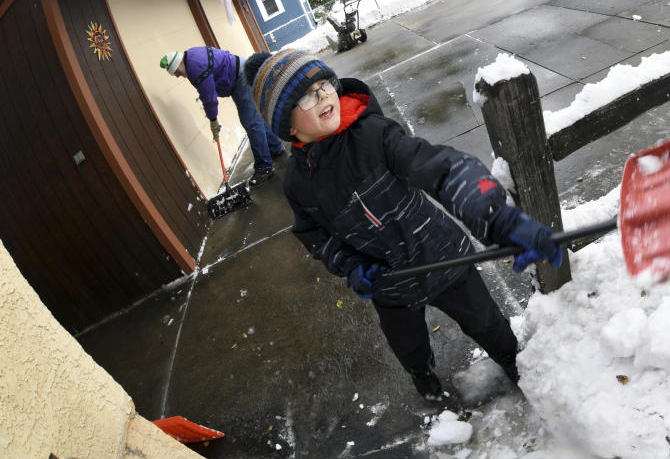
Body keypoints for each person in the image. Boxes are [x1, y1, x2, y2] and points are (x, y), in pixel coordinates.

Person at [243, 50, 562, 401]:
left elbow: (443, 168)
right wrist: (352, 266)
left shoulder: (374, 135)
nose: (321, 95)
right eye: (305, 95)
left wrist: (497, 217)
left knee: (487, 323)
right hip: (389, 283)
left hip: (443, 256)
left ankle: (511, 360)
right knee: (407, 345)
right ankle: (424, 380)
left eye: (324, 84)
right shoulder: (299, 184)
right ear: (286, 126)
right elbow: (313, 236)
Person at [160, 47, 286, 188]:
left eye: (176, 72)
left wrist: (213, 120)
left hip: (240, 77)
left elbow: (209, 97)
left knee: (251, 122)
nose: (178, 76)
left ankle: (264, 167)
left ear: (178, 64)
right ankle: (275, 148)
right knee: (254, 119)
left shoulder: (194, 66)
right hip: (239, 73)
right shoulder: (191, 57)